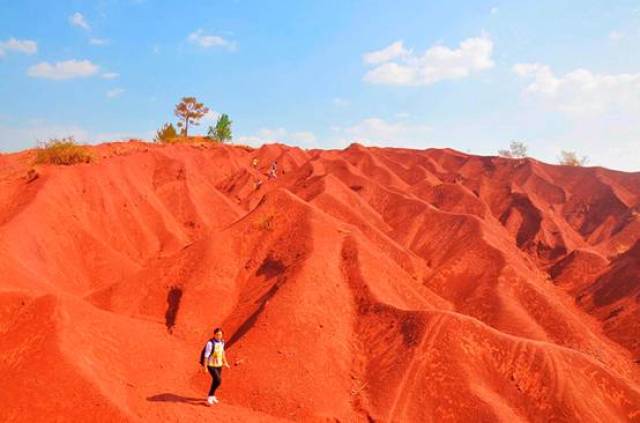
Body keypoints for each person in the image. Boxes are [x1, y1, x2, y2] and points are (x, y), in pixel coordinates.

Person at [202, 328, 231, 405]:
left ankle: (212, 396)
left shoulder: (222, 342)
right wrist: (205, 367)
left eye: (220, 334)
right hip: (211, 365)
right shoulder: (210, 343)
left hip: (219, 365)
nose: (219, 336)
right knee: (218, 380)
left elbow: (222, 353)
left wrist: (225, 362)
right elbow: (206, 356)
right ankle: (209, 397)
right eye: (217, 334)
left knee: (215, 381)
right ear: (214, 334)